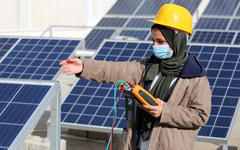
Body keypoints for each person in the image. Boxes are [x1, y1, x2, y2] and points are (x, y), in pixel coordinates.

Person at [60, 4, 211, 150]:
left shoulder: (195, 77)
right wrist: (85, 67)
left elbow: (200, 115)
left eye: (161, 42)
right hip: (137, 143)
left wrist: (164, 111)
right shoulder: (147, 66)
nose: (155, 46)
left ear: (177, 41)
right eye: (154, 41)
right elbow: (115, 70)